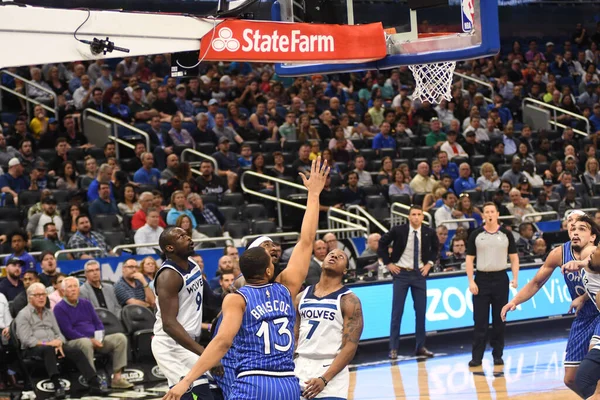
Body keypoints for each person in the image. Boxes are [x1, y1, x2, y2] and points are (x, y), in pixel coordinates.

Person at [163, 157, 329, 400]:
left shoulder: (237, 299)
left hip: (253, 381)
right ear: (269, 270)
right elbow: (306, 240)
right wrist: (313, 194)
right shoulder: (286, 287)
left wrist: (185, 381)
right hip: (287, 384)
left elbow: (221, 343)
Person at [502, 210, 599, 396]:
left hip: (599, 312)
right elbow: (536, 282)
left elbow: (592, 265)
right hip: (584, 316)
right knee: (570, 379)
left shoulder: (595, 251)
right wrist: (514, 301)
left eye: (579, 224)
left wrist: (584, 294)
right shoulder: (559, 253)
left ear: (591, 234)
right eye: (570, 223)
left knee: (594, 357)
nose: (573, 227)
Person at [151, 226, 224, 399]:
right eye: (181, 236)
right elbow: (169, 325)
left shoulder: (193, 265)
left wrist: (237, 295)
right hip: (171, 345)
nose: (189, 238)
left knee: (218, 393)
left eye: (187, 234)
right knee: (197, 395)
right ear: (170, 248)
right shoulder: (169, 276)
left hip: (189, 343)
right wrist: (206, 354)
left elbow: (211, 300)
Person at [15, 282, 109, 399]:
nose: (41, 297)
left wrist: (59, 342)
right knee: (48, 350)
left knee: (76, 351)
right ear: (30, 298)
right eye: (38, 295)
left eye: (43, 294)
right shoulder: (23, 315)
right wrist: (49, 343)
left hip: (54, 345)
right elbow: (26, 340)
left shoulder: (49, 312)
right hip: (33, 349)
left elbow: (59, 333)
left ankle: (94, 384)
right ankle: (57, 385)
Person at [294, 248, 363, 400]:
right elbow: (294, 337)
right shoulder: (301, 297)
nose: (334, 256)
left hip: (332, 372)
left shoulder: (349, 300)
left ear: (345, 270)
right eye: (331, 254)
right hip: (301, 367)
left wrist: (324, 379)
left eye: (340, 256)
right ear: (322, 262)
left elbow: (350, 347)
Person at [378, 206, 438, 360]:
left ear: (423, 217)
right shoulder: (399, 230)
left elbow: (436, 249)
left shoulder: (428, 232)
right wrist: (388, 263)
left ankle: (420, 346)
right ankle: (393, 348)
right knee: (397, 312)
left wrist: (429, 264)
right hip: (401, 274)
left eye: (419, 214)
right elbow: (382, 244)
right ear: (409, 217)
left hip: (419, 274)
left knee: (420, 312)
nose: (416, 217)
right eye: (414, 214)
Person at [53, 277, 133, 390]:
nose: (73, 289)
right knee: (85, 343)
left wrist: (99, 339)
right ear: (63, 291)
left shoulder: (86, 303)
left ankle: (117, 378)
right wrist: (91, 340)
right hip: (73, 342)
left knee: (120, 338)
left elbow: (98, 323)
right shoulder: (59, 308)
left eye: (75, 286)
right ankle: (93, 380)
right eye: (69, 287)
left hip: (95, 339)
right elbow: (68, 331)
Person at [467, 202, 520, 367]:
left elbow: (514, 257)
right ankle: (477, 357)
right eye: (486, 212)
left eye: (492, 211)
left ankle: (498, 354)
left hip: (500, 279)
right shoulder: (476, 234)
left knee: (500, 319)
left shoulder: (506, 234)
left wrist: (515, 277)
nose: (489, 214)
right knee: (480, 320)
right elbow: (469, 259)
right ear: (483, 215)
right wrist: (471, 281)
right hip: (481, 279)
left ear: (497, 214)